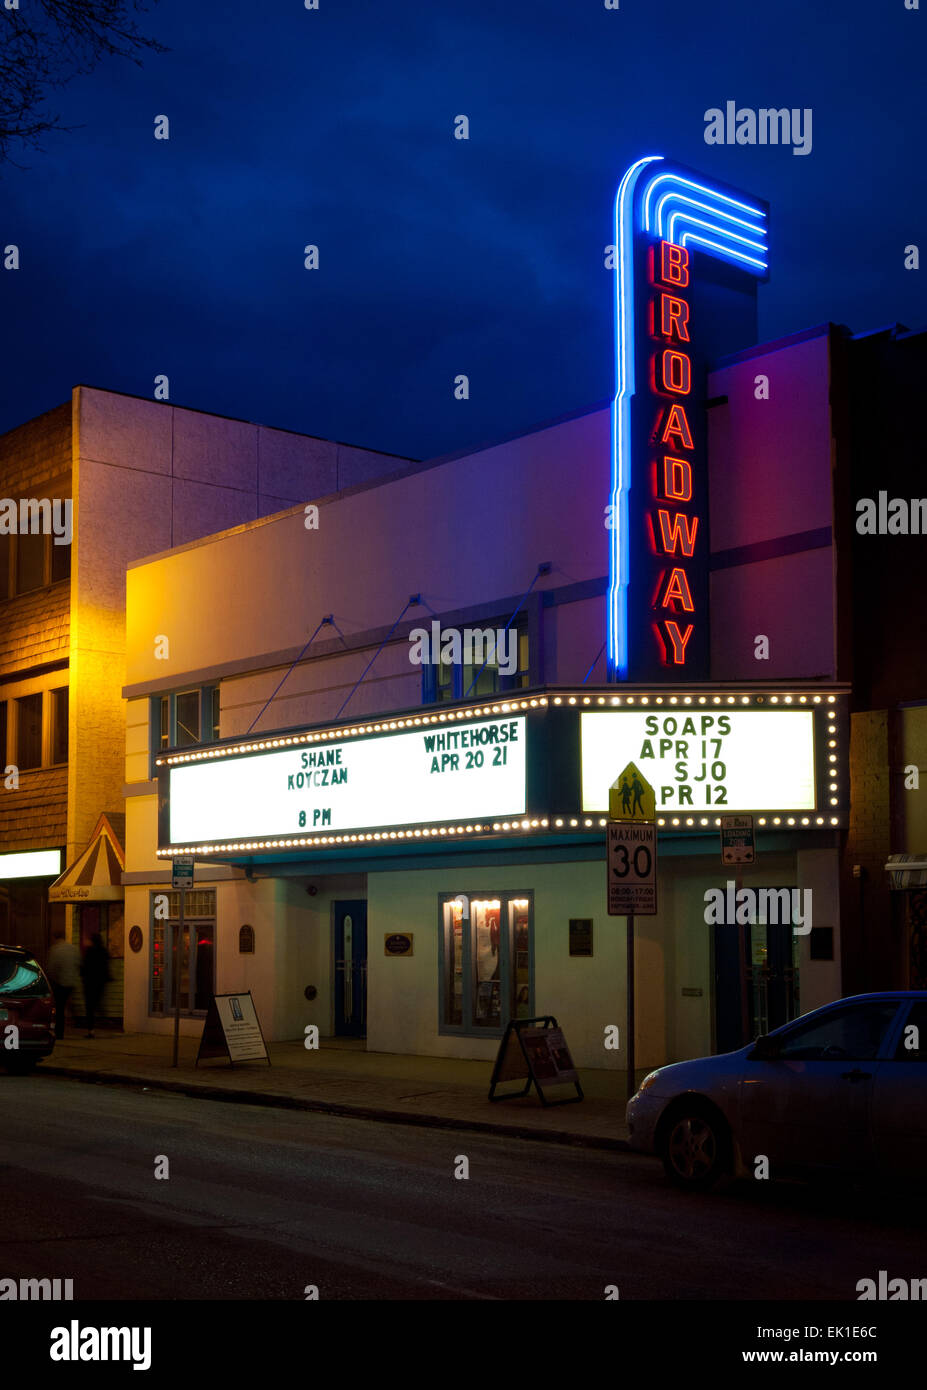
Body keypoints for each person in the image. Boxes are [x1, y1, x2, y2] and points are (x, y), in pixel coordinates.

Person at [46, 930, 81, 1040]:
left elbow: (51, 968)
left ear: (55, 938)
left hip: (59, 983)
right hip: (71, 982)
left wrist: (52, 980)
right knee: (68, 1003)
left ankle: (59, 1032)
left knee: (59, 1008)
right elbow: (79, 964)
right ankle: (77, 1019)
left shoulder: (55, 950)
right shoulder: (74, 949)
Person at [81, 932, 111, 1038]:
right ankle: (105, 1019)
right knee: (98, 1003)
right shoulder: (104, 951)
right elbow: (106, 965)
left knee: (89, 1007)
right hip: (100, 982)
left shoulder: (90, 951)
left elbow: (84, 966)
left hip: (90, 983)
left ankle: (91, 1030)